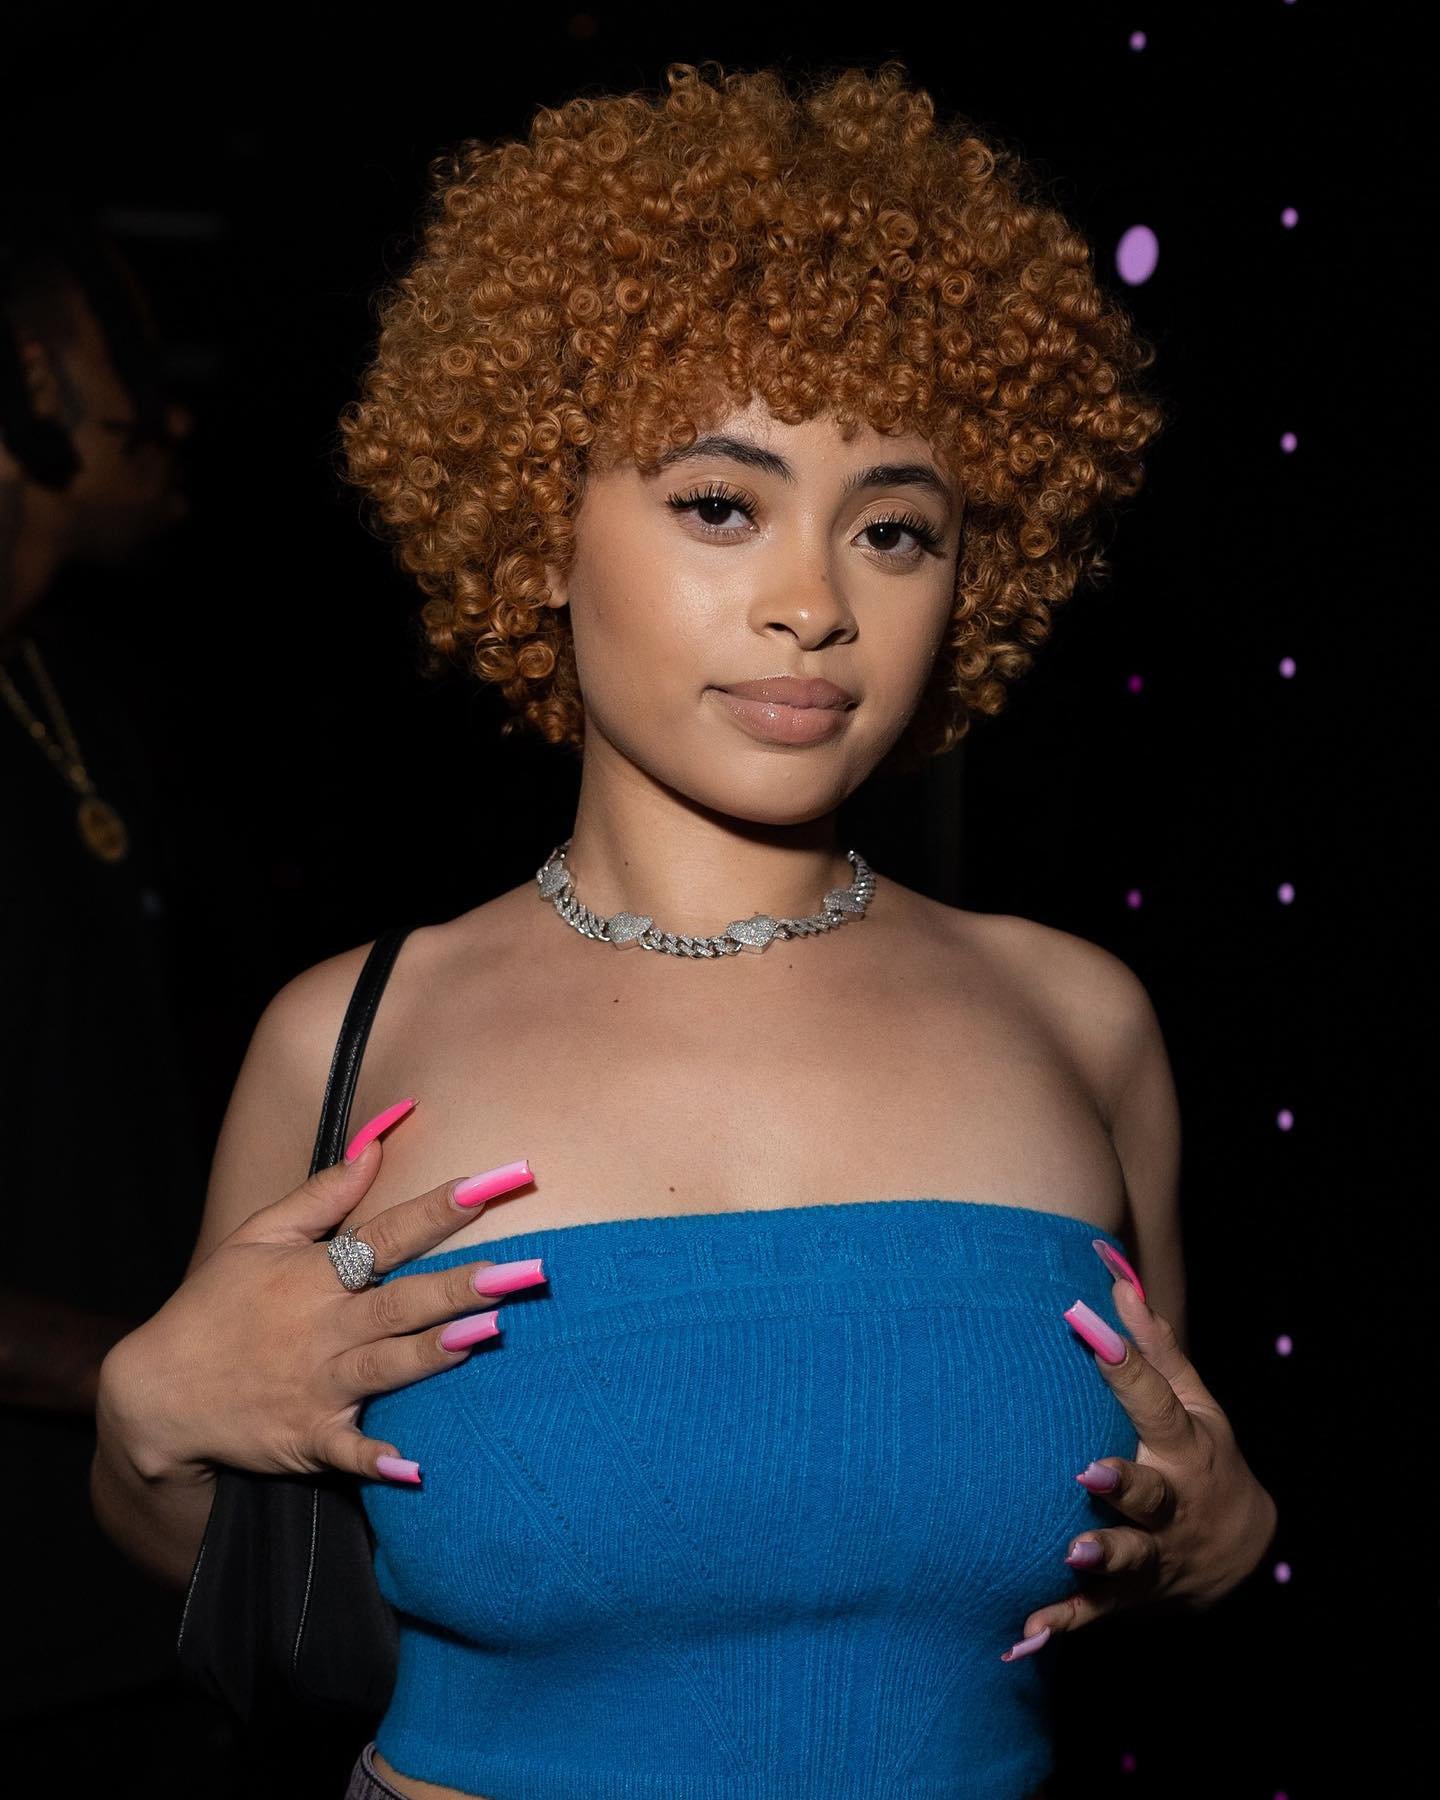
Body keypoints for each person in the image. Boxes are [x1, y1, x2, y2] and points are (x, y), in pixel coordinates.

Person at [92, 62, 1279, 1800]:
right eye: (720, 504)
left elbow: (1168, 1521)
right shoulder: (350, 1038)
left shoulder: (1078, 1023)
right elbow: (220, 1558)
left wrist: (1229, 1541)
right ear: (538, 527)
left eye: (894, 529)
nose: (813, 603)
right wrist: (145, 1424)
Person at [0, 197, 253, 1787]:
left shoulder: (72, 690)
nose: (167, 408)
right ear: (32, 374)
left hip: (130, 1595)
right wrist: (173, 1377)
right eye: (124, 349)